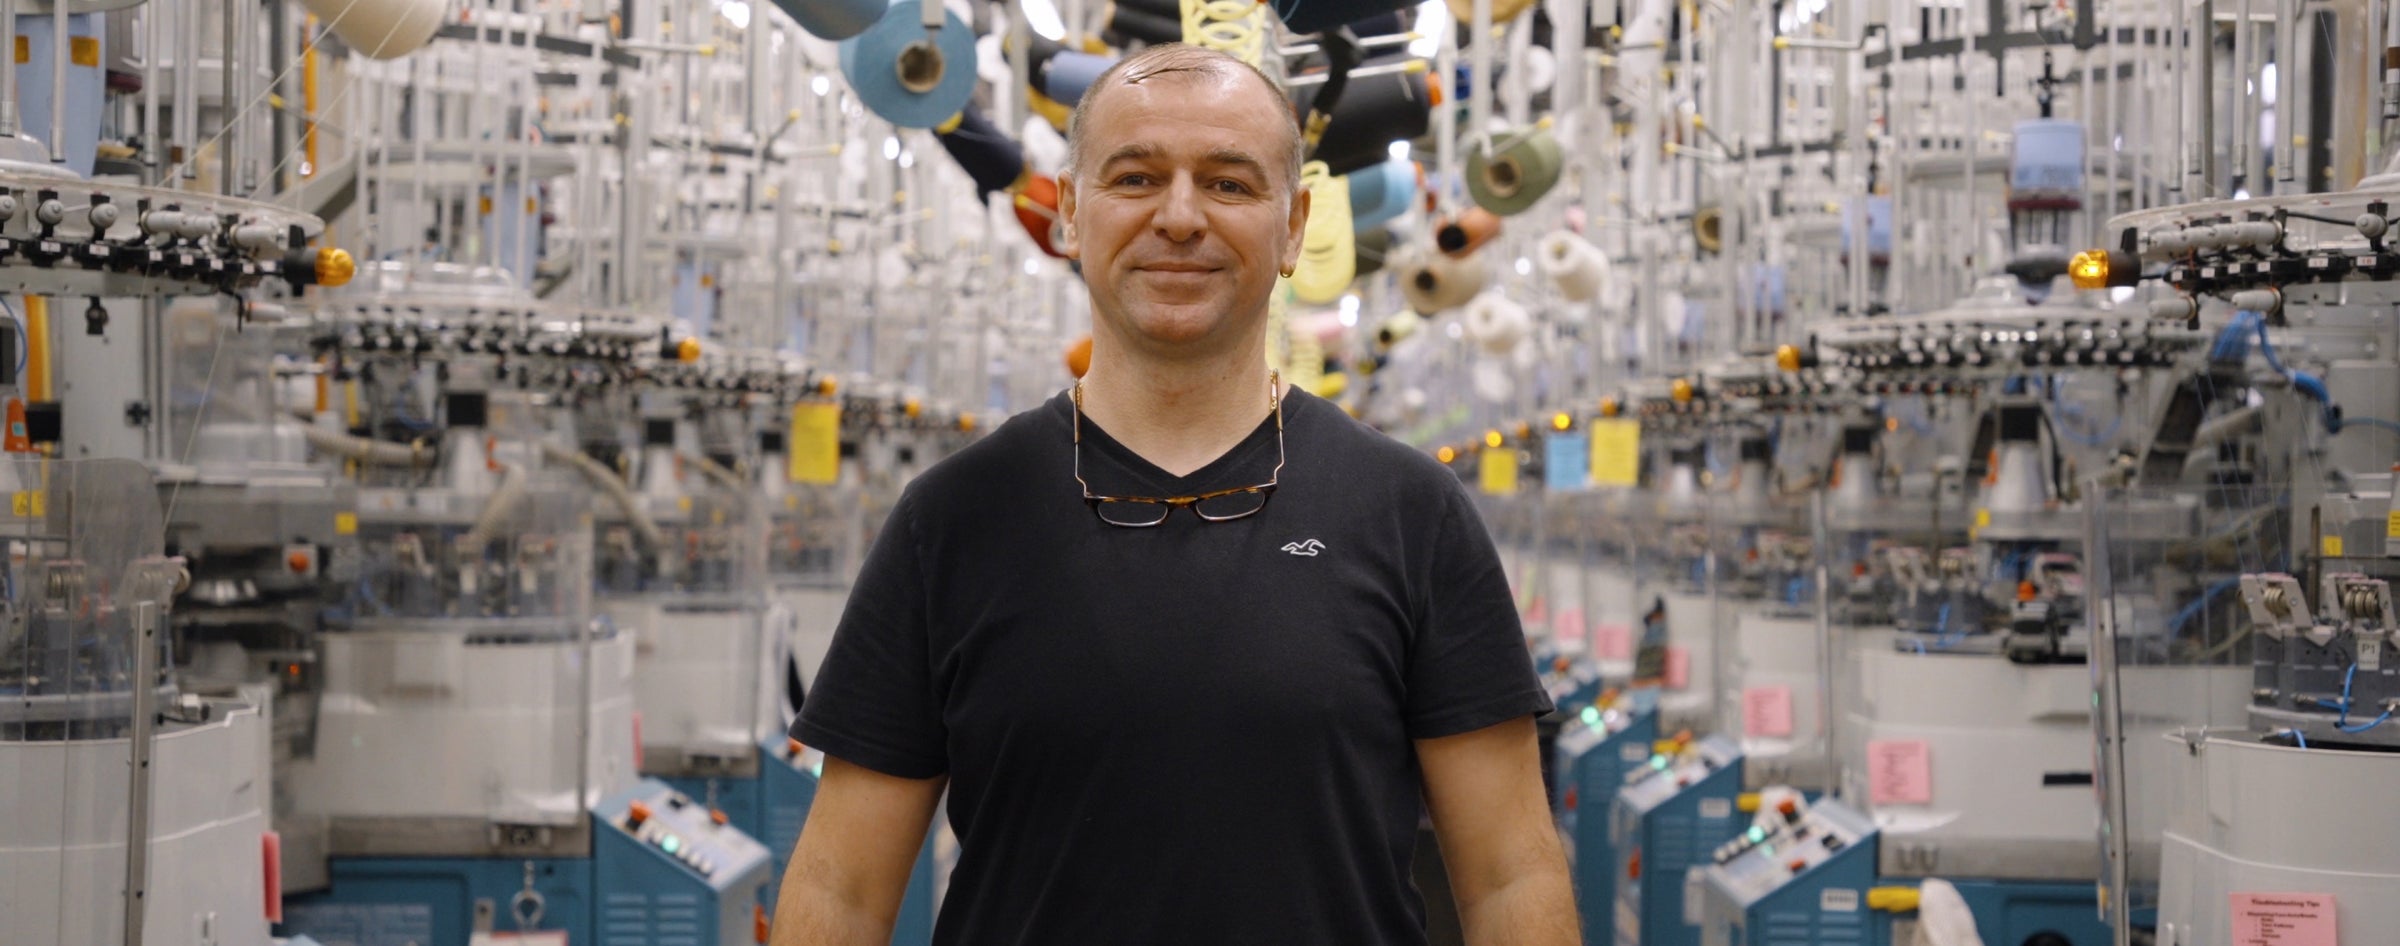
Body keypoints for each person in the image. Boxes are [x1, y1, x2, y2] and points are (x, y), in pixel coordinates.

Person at [770, 42, 1576, 946]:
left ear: (1292, 225)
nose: (1181, 217)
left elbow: (1510, 875)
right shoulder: (952, 519)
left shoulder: (1409, 512)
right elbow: (840, 890)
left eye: (1230, 184)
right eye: (1135, 178)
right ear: (1072, 213)